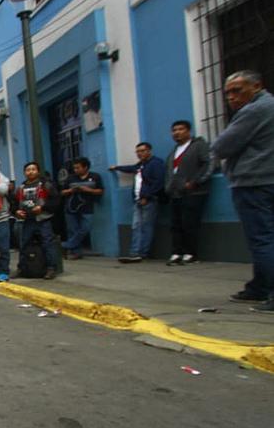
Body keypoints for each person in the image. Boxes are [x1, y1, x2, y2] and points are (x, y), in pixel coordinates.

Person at [210, 70, 274, 313]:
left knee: (262, 239)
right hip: (266, 180)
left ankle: (266, 288)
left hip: (254, 182)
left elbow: (221, 146)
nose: (231, 97)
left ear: (256, 86)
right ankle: (259, 286)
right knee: (265, 237)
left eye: (238, 90)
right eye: (227, 93)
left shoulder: (254, 110)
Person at [164, 120, 213, 265]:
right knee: (176, 224)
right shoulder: (173, 152)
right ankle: (176, 252)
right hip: (175, 193)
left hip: (194, 192)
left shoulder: (198, 146)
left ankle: (190, 253)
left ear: (188, 131)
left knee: (190, 223)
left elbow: (208, 164)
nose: (177, 132)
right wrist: (168, 187)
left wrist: (195, 181)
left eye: (180, 129)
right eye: (174, 130)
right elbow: (169, 172)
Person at [110, 142, 165, 263]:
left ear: (149, 151)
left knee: (146, 226)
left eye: (142, 151)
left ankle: (142, 252)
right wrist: (116, 168)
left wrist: (147, 196)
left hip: (149, 200)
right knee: (136, 226)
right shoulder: (141, 165)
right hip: (138, 200)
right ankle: (135, 252)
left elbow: (159, 182)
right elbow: (130, 168)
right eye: (138, 151)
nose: (140, 154)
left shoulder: (156, 163)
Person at [14, 162, 59, 279]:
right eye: (28, 170)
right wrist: (16, 212)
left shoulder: (45, 185)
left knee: (48, 243)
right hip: (27, 220)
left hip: (43, 219)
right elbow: (14, 203)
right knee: (24, 244)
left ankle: (51, 268)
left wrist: (43, 208)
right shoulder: (21, 187)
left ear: (38, 171)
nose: (31, 172)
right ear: (24, 173)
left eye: (33, 169)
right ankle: (22, 268)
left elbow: (55, 199)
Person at [60, 157, 104, 260]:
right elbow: (62, 192)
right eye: (74, 168)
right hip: (71, 207)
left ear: (86, 167)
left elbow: (100, 191)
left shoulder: (95, 177)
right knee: (73, 230)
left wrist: (87, 190)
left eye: (78, 168)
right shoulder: (70, 178)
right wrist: (71, 190)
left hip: (87, 207)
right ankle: (76, 252)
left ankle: (66, 245)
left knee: (85, 228)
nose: (76, 170)